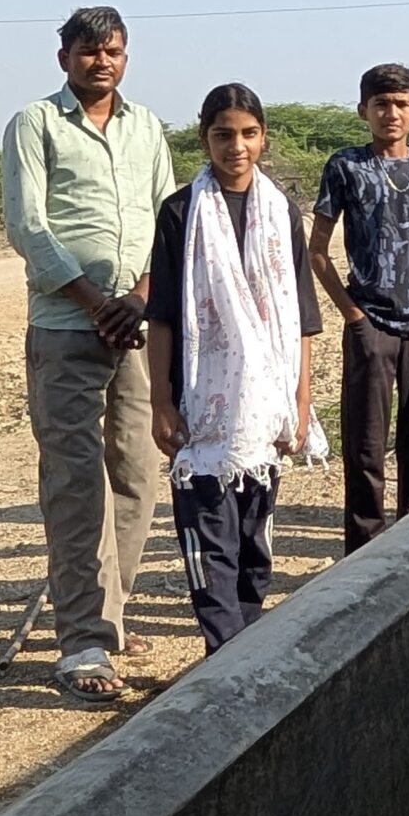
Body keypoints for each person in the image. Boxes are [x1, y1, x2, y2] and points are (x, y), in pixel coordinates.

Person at [1, 5, 174, 702]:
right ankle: (82, 642)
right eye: (89, 51)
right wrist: (94, 301)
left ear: (125, 57)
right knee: (76, 482)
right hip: (66, 325)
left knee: (137, 471)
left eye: (114, 52)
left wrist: (140, 296)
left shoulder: (147, 127)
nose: (102, 62)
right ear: (64, 58)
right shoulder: (35, 123)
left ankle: (111, 613)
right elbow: (28, 224)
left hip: (135, 326)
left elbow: (166, 219)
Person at [145, 84, 320, 653]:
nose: (236, 147)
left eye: (248, 134)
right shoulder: (181, 213)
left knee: (254, 544)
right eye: (223, 135)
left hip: (266, 404)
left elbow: (300, 318)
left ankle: (244, 651)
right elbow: (163, 316)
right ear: (204, 139)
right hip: (201, 404)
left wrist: (300, 403)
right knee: (209, 542)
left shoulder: (281, 212)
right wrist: (161, 402)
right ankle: (224, 655)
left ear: (263, 138)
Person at [310, 63, 409, 553]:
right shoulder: (346, 166)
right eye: (381, 104)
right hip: (371, 322)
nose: (391, 113)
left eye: (401, 104)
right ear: (364, 110)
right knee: (366, 445)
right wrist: (353, 316)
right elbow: (317, 252)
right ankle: (365, 553)